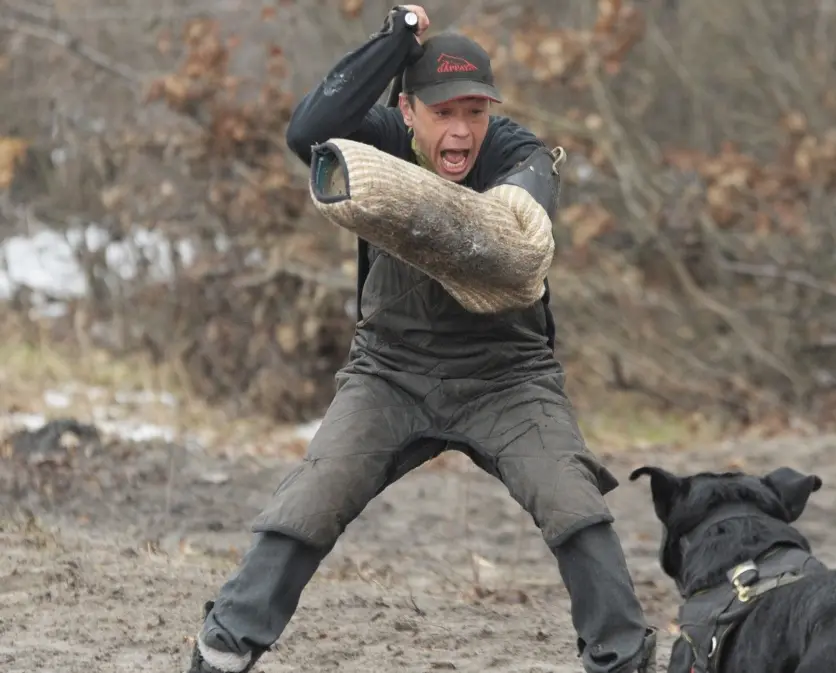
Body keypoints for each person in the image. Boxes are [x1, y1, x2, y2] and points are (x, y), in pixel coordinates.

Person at [185, 5, 657, 673]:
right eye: (443, 112)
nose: (462, 129)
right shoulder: (375, 134)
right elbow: (309, 132)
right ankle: (222, 649)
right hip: (390, 373)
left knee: (572, 502)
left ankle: (623, 657)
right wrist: (396, 39)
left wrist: (410, 198)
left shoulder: (520, 152)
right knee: (312, 496)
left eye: (475, 111)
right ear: (407, 111)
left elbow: (520, 237)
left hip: (508, 377)